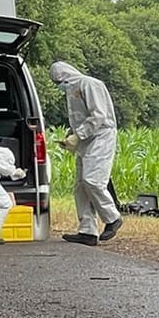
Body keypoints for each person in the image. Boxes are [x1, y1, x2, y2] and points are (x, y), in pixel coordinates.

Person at [48, 61, 123, 247]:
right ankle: (87, 231)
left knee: (93, 180)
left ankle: (112, 218)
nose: (59, 85)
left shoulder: (89, 84)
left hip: (100, 137)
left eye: (59, 81)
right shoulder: (71, 89)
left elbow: (99, 115)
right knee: (81, 186)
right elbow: (78, 118)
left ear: (65, 76)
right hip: (86, 139)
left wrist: (79, 134)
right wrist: (71, 136)